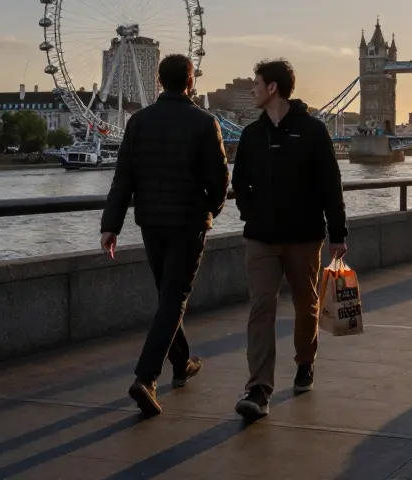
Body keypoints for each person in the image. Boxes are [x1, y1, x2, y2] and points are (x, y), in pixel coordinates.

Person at [99, 54, 229, 418]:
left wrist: (111, 225)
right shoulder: (205, 123)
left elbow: (123, 177)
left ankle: (182, 362)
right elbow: (220, 181)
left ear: (158, 81)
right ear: (191, 81)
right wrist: (210, 210)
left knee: (168, 296)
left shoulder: (138, 122)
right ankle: (146, 376)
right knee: (174, 299)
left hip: (151, 223)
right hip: (188, 225)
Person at [231, 59, 348, 421]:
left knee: (305, 304)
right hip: (261, 238)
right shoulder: (251, 134)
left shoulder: (313, 131)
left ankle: (305, 362)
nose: (252, 89)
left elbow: (331, 184)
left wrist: (337, 233)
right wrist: (252, 213)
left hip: (303, 236)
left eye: (256, 83)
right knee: (261, 307)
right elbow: (240, 182)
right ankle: (258, 388)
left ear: (273, 88)